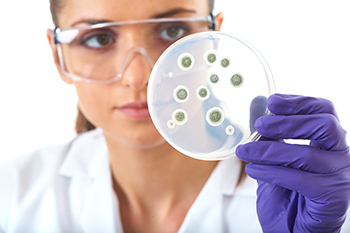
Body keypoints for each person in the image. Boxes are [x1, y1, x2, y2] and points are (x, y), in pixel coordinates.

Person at [0, 0, 349, 232]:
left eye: (172, 31)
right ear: (58, 55)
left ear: (212, 39)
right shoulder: (12, 194)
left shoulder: (308, 203)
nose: (138, 78)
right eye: (99, 37)